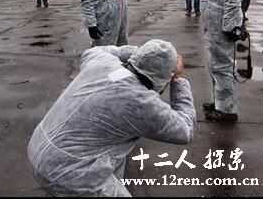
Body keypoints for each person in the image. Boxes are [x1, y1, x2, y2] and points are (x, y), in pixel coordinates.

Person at [27, 40, 194, 197]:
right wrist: (179, 81)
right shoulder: (142, 103)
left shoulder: (103, 63)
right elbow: (184, 130)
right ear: (166, 76)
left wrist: (141, 53)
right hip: (69, 172)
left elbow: (94, 50)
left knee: (117, 155)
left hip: (40, 146)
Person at [169, 0, 250, 122]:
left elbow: (232, 4)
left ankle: (227, 110)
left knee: (222, 67)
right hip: (212, 24)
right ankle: (219, 103)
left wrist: (231, 27)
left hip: (223, 26)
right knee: (215, 65)